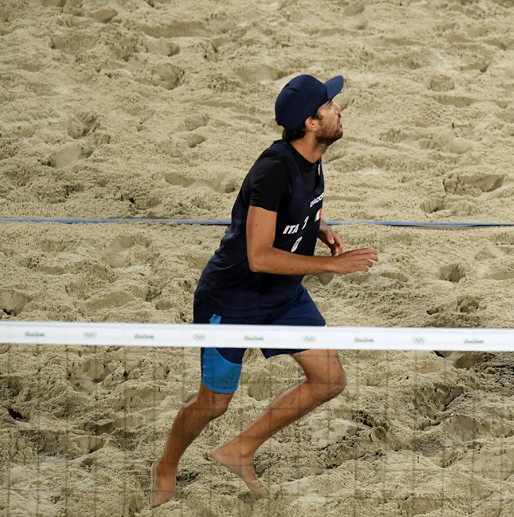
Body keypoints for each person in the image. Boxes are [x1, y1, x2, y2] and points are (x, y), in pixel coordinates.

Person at [151, 74, 379, 505]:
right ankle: (166, 464)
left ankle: (239, 449)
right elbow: (259, 256)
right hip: (232, 300)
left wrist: (321, 228)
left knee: (328, 379)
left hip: (282, 296)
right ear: (310, 123)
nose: (337, 109)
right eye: (329, 106)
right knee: (214, 404)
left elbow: (302, 208)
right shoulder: (273, 170)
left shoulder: (313, 158)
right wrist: (332, 265)